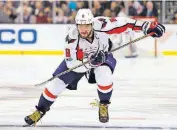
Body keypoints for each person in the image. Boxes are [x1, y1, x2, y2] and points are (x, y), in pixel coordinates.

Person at [24, 8, 165, 126]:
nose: (83, 29)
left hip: (102, 55)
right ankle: (40, 110)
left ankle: (103, 104)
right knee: (56, 84)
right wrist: (91, 62)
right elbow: (74, 65)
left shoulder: (102, 25)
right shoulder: (71, 39)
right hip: (79, 62)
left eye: (86, 25)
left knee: (105, 76)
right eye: (80, 25)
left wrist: (147, 27)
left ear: (92, 24)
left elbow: (125, 23)